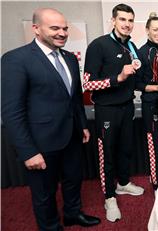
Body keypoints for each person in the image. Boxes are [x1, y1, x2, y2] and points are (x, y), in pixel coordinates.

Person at [1, 8, 100, 230]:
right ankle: (51, 227)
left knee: (73, 181)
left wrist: (82, 125)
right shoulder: (16, 59)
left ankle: (73, 215)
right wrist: (28, 151)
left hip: (72, 136)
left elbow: (74, 98)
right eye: (55, 28)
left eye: (65, 28)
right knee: (44, 193)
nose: (62, 33)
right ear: (36, 29)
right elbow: (11, 112)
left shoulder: (70, 59)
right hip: (41, 143)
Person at [82, 3, 144, 222]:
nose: (126, 24)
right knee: (107, 154)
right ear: (113, 21)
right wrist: (117, 78)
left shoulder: (131, 46)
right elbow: (87, 84)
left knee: (126, 149)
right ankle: (109, 197)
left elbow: (137, 74)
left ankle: (123, 183)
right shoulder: (98, 45)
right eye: (122, 20)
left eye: (130, 20)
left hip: (127, 107)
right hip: (106, 110)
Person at [136, 12, 158, 189]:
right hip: (151, 105)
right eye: (155, 30)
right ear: (147, 30)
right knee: (155, 147)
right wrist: (157, 88)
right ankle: (156, 184)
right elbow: (137, 84)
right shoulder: (141, 52)